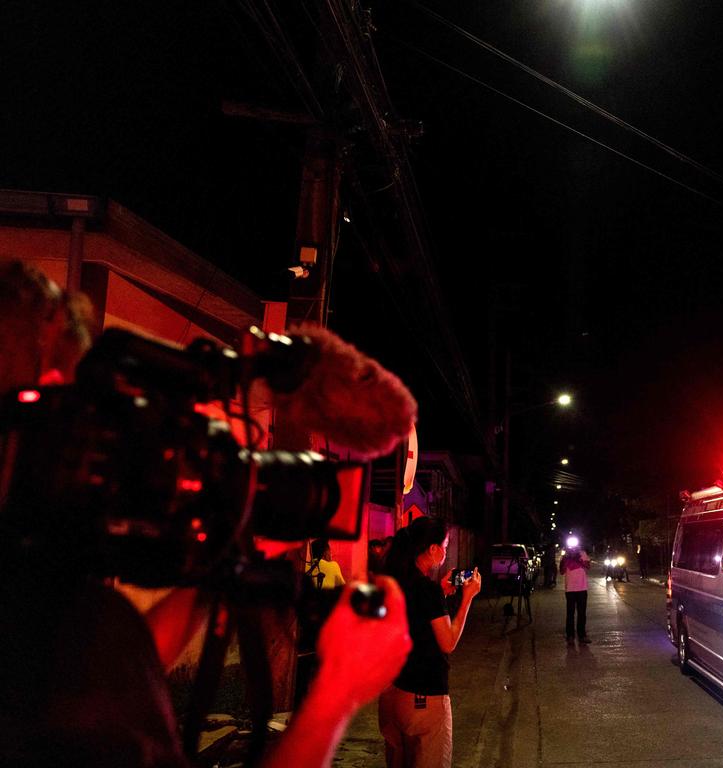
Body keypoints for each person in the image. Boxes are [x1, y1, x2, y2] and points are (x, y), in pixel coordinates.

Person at [0, 258, 413, 768]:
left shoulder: (47, 591)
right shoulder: (50, 625)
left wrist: (219, 555)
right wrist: (336, 695)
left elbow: (113, 663)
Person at [379, 516, 482, 768]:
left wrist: (442, 593)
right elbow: (447, 642)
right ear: (433, 548)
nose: (446, 552)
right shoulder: (426, 590)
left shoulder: (393, 581)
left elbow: (416, 619)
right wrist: (467, 598)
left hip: (392, 695)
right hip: (423, 697)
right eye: (445, 546)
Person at [559, 540, 591, 644]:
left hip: (582, 588)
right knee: (570, 613)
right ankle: (570, 636)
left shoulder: (582, 554)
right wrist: (566, 559)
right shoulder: (565, 556)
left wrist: (579, 559)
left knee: (582, 613)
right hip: (570, 589)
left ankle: (582, 635)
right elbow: (562, 571)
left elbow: (588, 566)